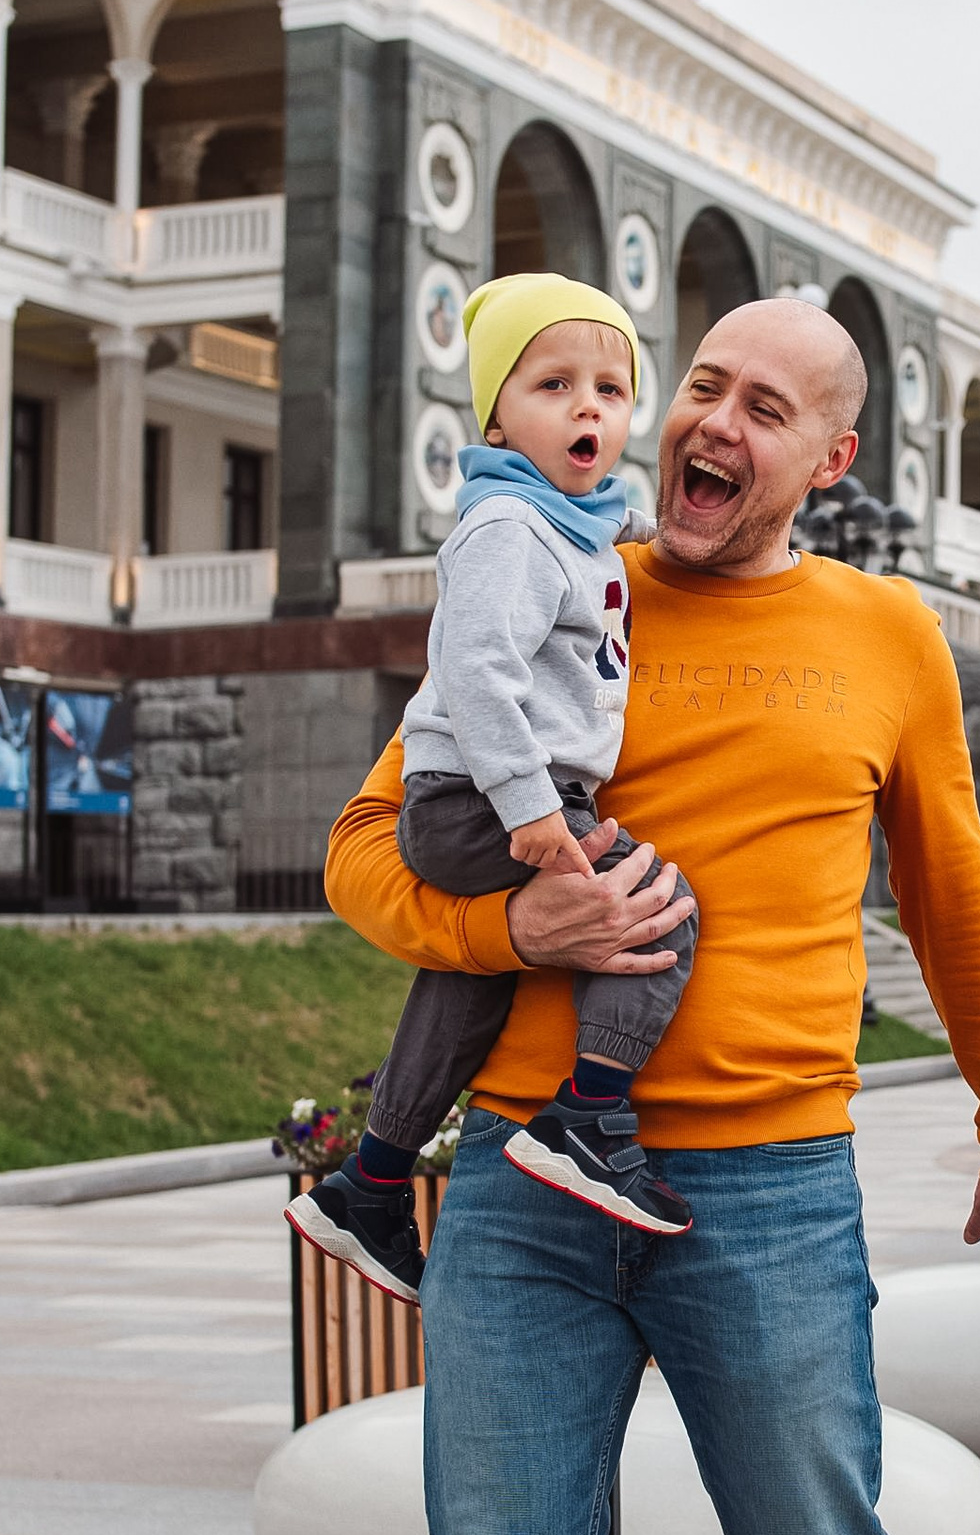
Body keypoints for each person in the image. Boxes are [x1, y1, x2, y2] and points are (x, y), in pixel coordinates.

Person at [325, 297, 980, 1535]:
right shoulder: (555, 575)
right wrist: (519, 929)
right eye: (701, 387)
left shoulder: (887, 633)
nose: (712, 420)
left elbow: (959, 897)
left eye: (767, 406)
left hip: (766, 1192)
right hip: (524, 1188)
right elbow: (367, 847)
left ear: (832, 459)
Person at [291, 276, 699, 1299]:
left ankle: (369, 1185)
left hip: (485, 792)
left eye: (611, 388)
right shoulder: (508, 529)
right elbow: (474, 676)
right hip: (482, 795)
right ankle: (590, 1116)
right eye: (554, 384)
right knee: (651, 906)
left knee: (475, 973)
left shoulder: (571, 523)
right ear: (497, 416)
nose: (588, 408)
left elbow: (621, 541)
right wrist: (529, 812)